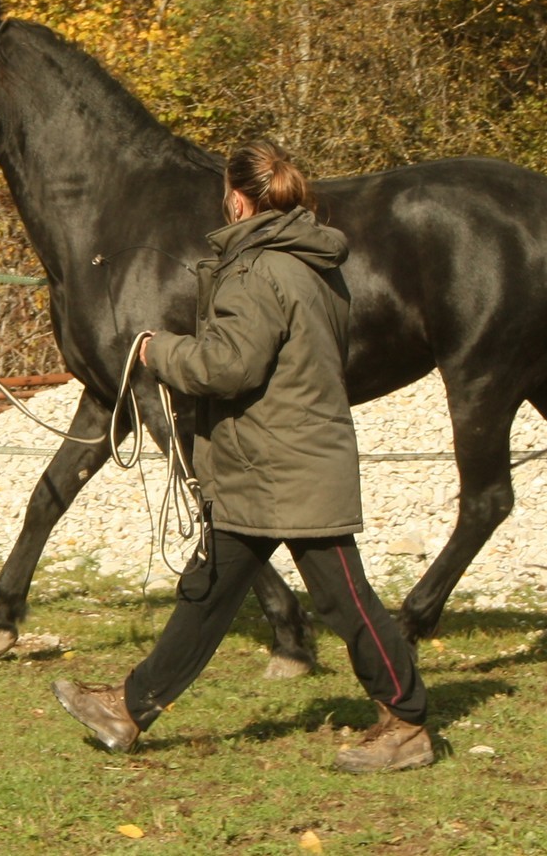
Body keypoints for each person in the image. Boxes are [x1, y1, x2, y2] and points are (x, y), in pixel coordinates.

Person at [51, 139, 432, 773]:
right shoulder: (310, 264)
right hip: (267, 460)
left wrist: (157, 351)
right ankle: (128, 708)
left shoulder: (260, 272)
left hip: (288, 465)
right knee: (207, 593)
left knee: (348, 601)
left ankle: (409, 722)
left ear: (235, 197)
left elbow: (228, 366)